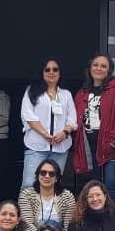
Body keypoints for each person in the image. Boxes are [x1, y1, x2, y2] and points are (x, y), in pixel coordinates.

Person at [72, 53, 115, 205]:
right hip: (89, 147)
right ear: (90, 68)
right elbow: (75, 118)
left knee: (111, 183)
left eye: (103, 66)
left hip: (111, 146)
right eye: (95, 65)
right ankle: (98, 218)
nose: (99, 68)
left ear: (109, 70)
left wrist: (113, 141)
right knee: (94, 186)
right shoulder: (82, 92)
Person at [20, 57, 78, 190]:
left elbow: (72, 119)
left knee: (54, 186)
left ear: (60, 73)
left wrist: (64, 133)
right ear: (42, 72)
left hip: (60, 148)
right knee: (29, 185)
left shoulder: (66, 94)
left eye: (55, 69)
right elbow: (28, 115)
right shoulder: (31, 91)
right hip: (37, 146)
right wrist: (45, 134)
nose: (51, 72)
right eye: (47, 69)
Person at [17, 159, 76, 231]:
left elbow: (68, 227)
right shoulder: (26, 195)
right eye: (43, 173)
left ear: (57, 178)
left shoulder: (67, 196)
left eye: (51, 174)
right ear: (38, 176)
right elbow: (27, 224)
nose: (47, 176)